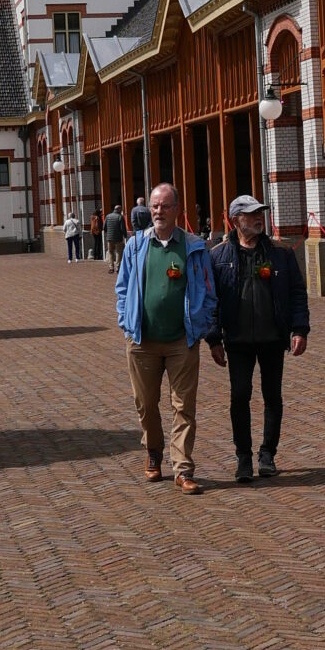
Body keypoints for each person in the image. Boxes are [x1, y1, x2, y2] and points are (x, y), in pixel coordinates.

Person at [115, 181, 218, 495]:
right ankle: (153, 451)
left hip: (181, 341)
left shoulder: (193, 246)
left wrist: (201, 326)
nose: (158, 211)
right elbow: (123, 288)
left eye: (165, 206)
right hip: (142, 341)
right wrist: (126, 321)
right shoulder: (136, 246)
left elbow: (208, 291)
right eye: (155, 206)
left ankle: (182, 469)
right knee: (146, 404)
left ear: (177, 210)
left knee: (183, 406)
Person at [207, 194, 310, 482]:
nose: (258, 218)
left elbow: (297, 293)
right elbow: (211, 300)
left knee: (272, 396)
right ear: (235, 220)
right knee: (239, 396)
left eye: (260, 213)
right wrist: (214, 339)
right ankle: (243, 457)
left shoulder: (281, 253)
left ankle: (267, 455)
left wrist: (299, 330)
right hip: (237, 340)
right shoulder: (217, 256)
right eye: (251, 214)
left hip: (272, 338)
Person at [104, 202, 127, 273]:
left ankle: (111, 267)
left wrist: (108, 233)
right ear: (119, 210)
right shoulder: (120, 217)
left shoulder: (108, 216)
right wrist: (125, 235)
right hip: (118, 238)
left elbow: (104, 227)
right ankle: (118, 267)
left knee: (110, 252)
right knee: (118, 252)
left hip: (109, 238)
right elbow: (123, 228)